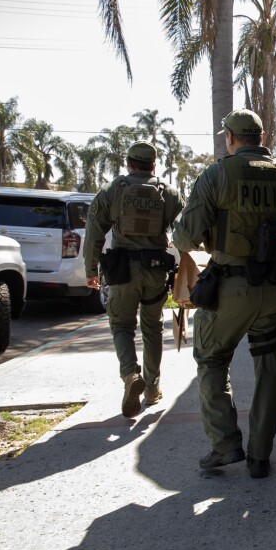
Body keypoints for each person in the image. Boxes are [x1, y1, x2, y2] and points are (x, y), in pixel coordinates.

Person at [172, 109, 276, 479]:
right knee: (269, 368)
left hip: (230, 291)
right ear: (261, 138)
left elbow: (184, 237)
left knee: (213, 360)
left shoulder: (217, 174)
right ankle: (260, 456)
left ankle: (225, 444)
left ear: (231, 138)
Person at [83, 141, 185, 418]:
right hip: (155, 271)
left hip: (121, 272)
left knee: (121, 326)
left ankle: (130, 375)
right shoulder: (169, 192)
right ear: (154, 164)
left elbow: (94, 231)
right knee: (152, 329)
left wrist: (91, 269)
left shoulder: (112, 190)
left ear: (128, 163)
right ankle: (152, 389)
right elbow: (187, 229)